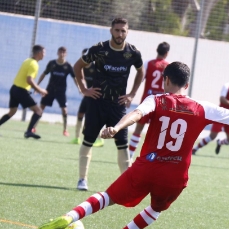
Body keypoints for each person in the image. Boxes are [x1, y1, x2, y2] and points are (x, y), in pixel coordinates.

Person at [35, 61, 229, 229]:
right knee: (155, 210)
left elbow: (137, 114)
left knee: (106, 197)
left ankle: (70, 216)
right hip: (175, 175)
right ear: (187, 84)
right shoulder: (201, 107)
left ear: (166, 79)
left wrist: (116, 128)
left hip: (146, 166)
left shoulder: (156, 99)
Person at [73, 17, 144, 191]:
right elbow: (77, 66)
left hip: (118, 105)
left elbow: (141, 72)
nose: (120, 34)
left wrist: (132, 94)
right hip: (97, 103)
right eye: (117, 30)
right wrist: (84, 89)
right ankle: (82, 179)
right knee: (88, 140)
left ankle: (127, 185)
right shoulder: (99, 49)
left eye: (123, 31)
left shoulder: (133, 53)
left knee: (122, 144)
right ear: (111, 30)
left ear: (127, 32)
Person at [129, 42, 170, 159]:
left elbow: (140, 79)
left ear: (157, 50)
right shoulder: (169, 66)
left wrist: (132, 94)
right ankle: (151, 157)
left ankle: (130, 155)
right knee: (157, 132)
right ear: (167, 53)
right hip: (161, 103)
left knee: (138, 128)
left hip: (147, 100)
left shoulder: (148, 63)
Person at [0, 45, 47, 139]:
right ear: (39, 53)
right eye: (44, 52)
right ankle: (29, 132)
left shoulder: (27, 60)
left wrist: (35, 88)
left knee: (12, 112)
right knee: (38, 111)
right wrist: (40, 89)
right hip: (21, 91)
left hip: (14, 89)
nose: (44, 55)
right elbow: (29, 80)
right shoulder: (34, 64)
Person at [192, 75, 229, 155]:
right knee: (212, 136)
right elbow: (222, 99)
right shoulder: (227, 86)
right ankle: (195, 149)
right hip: (221, 114)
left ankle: (220, 143)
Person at [34, 46, 80, 136]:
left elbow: (75, 78)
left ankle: (65, 130)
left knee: (64, 110)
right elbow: (44, 74)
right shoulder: (52, 63)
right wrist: (37, 86)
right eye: (60, 52)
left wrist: (80, 88)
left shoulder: (68, 66)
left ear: (66, 54)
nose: (62, 54)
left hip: (61, 92)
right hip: (49, 90)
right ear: (57, 53)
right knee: (41, 108)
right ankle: (34, 127)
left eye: (64, 52)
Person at [70, 48, 104, 148]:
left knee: (95, 117)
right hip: (87, 95)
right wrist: (82, 89)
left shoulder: (96, 67)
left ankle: (99, 139)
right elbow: (79, 79)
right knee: (80, 114)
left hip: (96, 96)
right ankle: (77, 137)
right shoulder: (81, 68)